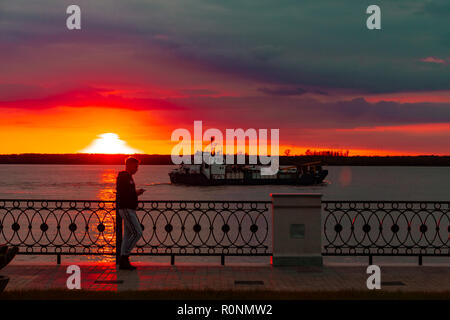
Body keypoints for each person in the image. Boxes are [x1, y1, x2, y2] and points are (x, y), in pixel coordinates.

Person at [116, 157, 145, 270]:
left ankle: (124, 262)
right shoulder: (124, 176)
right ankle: (124, 256)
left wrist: (135, 193)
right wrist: (135, 193)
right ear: (129, 165)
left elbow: (128, 193)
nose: (137, 169)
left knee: (127, 235)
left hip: (129, 209)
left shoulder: (128, 177)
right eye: (136, 166)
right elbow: (124, 193)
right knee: (137, 232)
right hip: (126, 209)